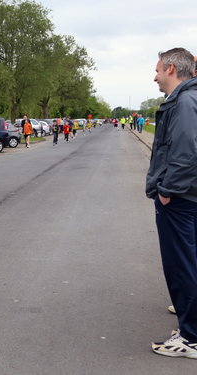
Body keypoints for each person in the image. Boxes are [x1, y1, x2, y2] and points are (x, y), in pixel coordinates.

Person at [146, 47, 197, 359]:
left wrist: (167, 190)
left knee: (182, 266)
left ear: (170, 69)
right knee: (188, 263)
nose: (154, 77)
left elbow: (187, 152)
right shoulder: (187, 99)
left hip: (179, 198)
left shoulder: (185, 102)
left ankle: (190, 338)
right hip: (185, 195)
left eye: (157, 70)